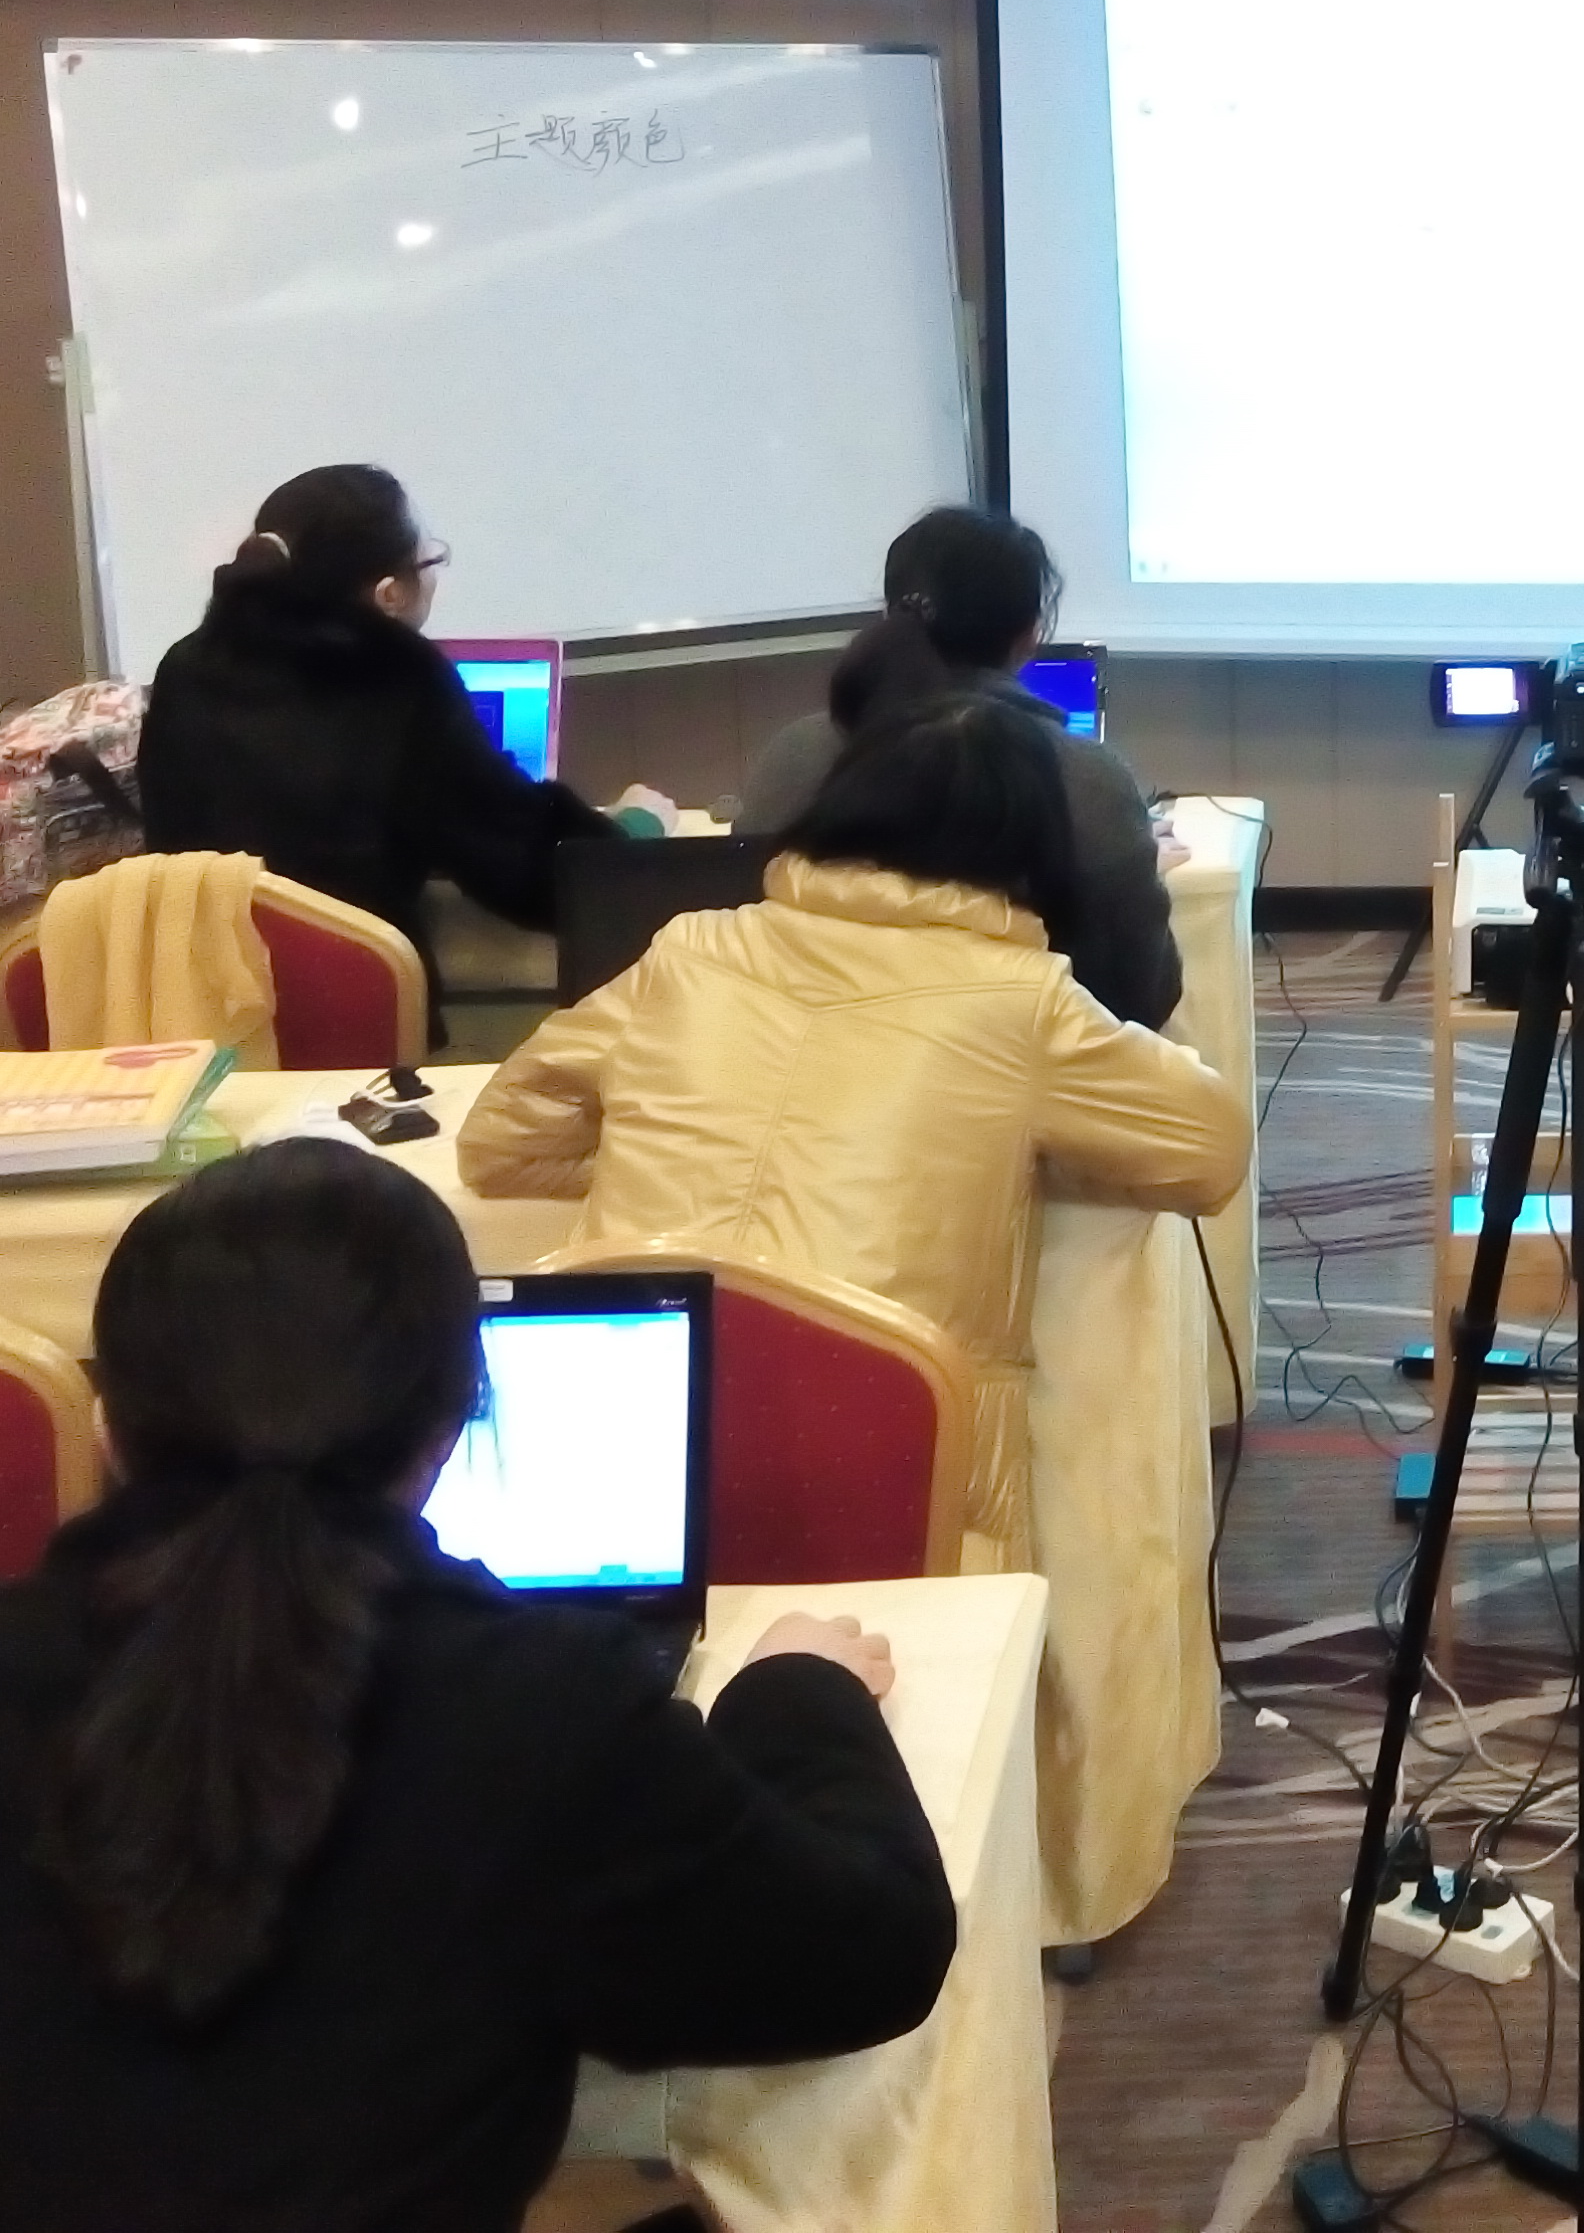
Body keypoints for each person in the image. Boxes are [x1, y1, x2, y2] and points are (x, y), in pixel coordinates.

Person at [0, 1138, 957, 2233]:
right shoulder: (538, 1706)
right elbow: (872, 1955)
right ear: (451, 1434)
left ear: (104, 1421)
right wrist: (795, 1691)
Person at [459, 678, 1248, 1948]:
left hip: (628, 1442)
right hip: (895, 1464)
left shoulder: (688, 951)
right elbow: (1205, 1152)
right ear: (1028, 847)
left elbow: (502, 1142)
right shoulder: (1024, 1004)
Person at [135, 464, 606, 1018]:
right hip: (356, 1020)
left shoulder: (186, 666)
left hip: (210, 1010)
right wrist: (631, 835)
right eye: (428, 562)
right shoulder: (398, 676)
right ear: (389, 594)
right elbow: (516, 866)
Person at [739, 505, 1182, 1030]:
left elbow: (746, 929)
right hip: (1014, 1066)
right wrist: (1128, 859)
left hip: (800, 1053)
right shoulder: (1088, 782)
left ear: (890, 615)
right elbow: (1141, 1001)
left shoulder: (793, 755)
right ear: (1030, 635)